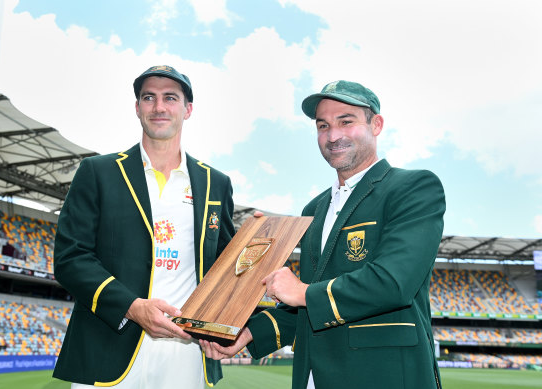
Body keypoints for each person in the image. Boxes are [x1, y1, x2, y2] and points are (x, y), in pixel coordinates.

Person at [201, 80, 446, 389]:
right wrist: (247, 334)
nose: (333, 135)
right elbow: (304, 303)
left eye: (346, 121)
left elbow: (394, 282)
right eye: (323, 126)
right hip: (313, 376)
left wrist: (302, 292)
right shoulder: (314, 208)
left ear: (377, 124)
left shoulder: (412, 187)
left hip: (381, 375)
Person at [53, 65, 235, 388]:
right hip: (108, 342)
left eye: (170, 98)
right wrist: (133, 307)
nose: (159, 107)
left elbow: (226, 264)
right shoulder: (98, 172)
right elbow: (70, 257)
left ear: (187, 109)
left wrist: (258, 243)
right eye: (148, 98)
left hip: (185, 350)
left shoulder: (215, 183)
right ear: (137, 108)